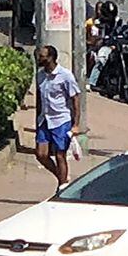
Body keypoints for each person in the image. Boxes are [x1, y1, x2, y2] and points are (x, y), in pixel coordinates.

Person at [34, 44, 82, 192]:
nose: (38, 59)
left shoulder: (65, 75)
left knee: (60, 154)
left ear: (51, 58)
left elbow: (75, 99)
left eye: (42, 56)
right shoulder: (40, 75)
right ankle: (63, 178)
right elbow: (40, 99)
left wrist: (75, 124)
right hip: (44, 120)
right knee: (41, 154)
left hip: (61, 120)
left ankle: (62, 188)